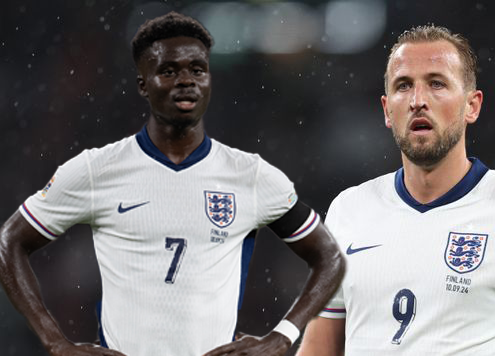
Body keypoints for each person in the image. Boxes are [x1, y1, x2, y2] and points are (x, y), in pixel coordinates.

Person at [0, 12, 344, 356]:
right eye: (168, 71)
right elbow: (10, 241)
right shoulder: (96, 170)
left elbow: (330, 257)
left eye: (198, 70)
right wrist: (55, 343)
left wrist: (282, 337)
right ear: (142, 84)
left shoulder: (250, 175)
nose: (186, 81)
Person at [296, 25, 495, 355]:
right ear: (387, 109)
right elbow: (317, 350)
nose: (417, 101)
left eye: (436, 83)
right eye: (403, 86)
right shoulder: (348, 210)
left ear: (472, 105)